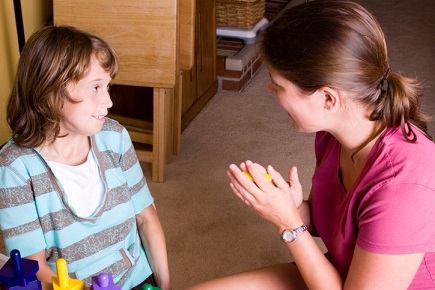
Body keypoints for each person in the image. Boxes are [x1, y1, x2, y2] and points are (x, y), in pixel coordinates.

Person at [186, 0, 435, 289]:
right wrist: (293, 207)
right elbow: (329, 223)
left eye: (279, 85)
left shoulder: (404, 186)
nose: (270, 90)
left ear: (328, 99)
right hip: (335, 274)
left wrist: (288, 223)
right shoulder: (334, 132)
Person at [0, 25, 171, 290]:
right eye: (95, 87)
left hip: (137, 281)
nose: (109, 101)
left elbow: (146, 218)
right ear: (50, 92)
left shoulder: (114, 137)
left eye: (108, 86)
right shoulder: (15, 168)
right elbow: (34, 269)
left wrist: (167, 287)